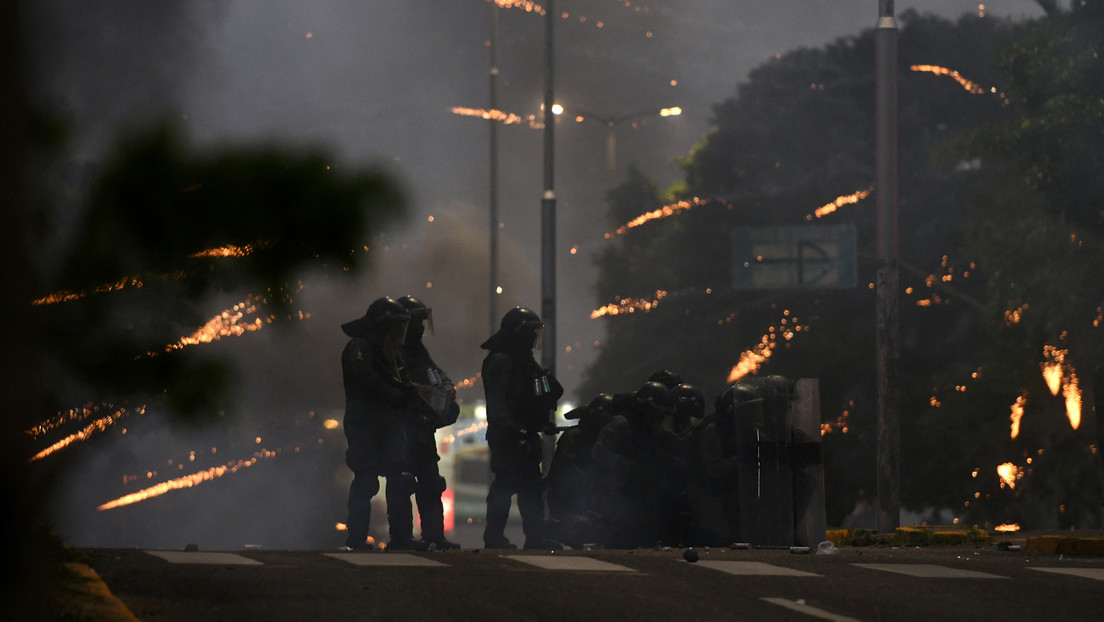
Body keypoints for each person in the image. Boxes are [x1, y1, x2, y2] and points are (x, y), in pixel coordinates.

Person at [339, 296, 427, 550]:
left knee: (400, 478)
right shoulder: (359, 347)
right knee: (365, 480)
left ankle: (401, 538)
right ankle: (355, 539)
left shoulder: (391, 351)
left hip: (389, 423)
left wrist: (411, 401)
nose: (402, 332)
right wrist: (394, 393)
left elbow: (404, 383)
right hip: (364, 422)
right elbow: (367, 377)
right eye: (397, 326)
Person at [480, 306, 563, 549]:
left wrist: (540, 423)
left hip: (525, 432)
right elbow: (497, 404)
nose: (533, 338)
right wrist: (513, 431)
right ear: (518, 332)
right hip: (507, 436)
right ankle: (493, 537)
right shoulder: (500, 361)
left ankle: (535, 537)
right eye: (530, 332)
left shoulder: (524, 362)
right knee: (505, 484)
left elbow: (548, 391)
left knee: (531, 486)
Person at [395, 295, 461, 550]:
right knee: (402, 482)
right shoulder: (394, 351)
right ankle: (401, 537)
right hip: (403, 429)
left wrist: (446, 388)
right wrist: (430, 394)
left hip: (422, 428)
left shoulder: (418, 351)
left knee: (431, 483)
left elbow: (437, 374)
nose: (422, 327)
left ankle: (434, 534)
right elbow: (402, 386)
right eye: (418, 322)